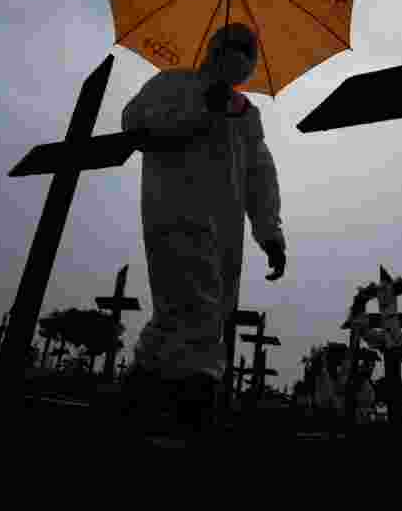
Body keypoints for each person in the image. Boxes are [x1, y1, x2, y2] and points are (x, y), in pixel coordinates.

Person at [119, 23, 287, 442]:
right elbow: (135, 124)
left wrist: (270, 233)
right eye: (234, 46)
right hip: (173, 214)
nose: (241, 56)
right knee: (197, 313)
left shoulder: (247, 114)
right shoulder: (172, 84)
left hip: (224, 231)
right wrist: (200, 110)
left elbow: (259, 176)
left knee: (186, 315)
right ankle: (188, 412)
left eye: (249, 51)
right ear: (212, 48)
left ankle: (140, 397)